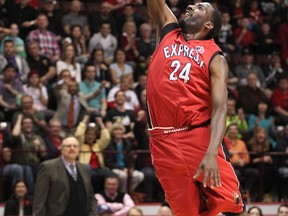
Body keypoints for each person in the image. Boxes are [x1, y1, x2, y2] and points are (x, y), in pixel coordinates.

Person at [146, 1, 246, 215]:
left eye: (200, 7)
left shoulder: (215, 57)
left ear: (209, 24)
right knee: (187, 212)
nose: (191, 6)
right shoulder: (169, 31)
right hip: (162, 142)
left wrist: (211, 154)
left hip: (197, 137)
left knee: (233, 206)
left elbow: (220, 109)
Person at [33, 136, 97, 216]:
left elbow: (90, 196)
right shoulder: (48, 167)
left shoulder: (85, 168)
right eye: (68, 146)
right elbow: (39, 199)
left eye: (75, 146)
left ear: (78, 150)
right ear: (62, 149)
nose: (72, 148)